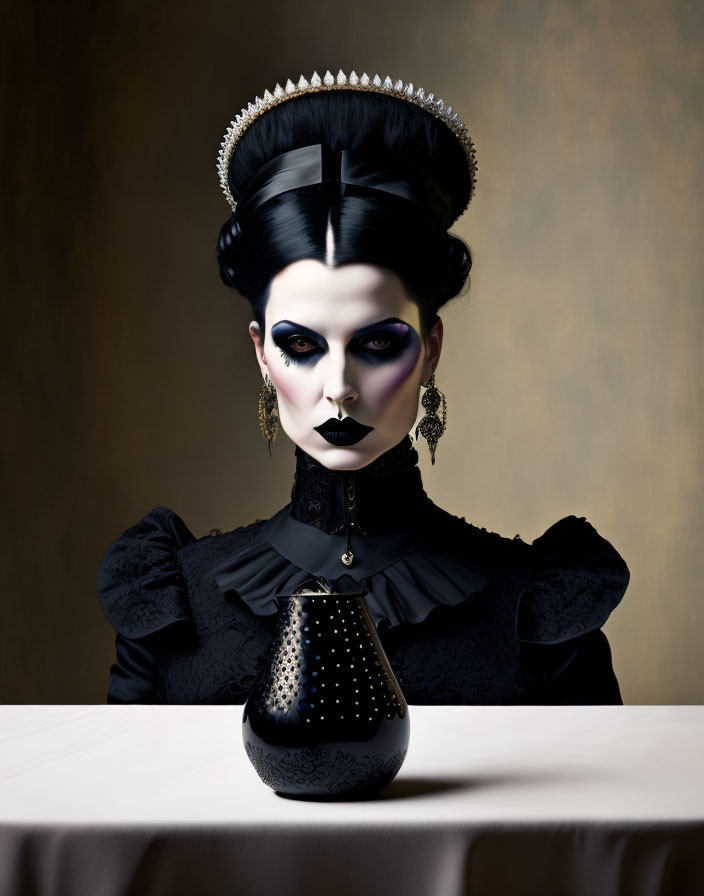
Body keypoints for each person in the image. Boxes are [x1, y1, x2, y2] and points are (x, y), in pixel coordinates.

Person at [97, 69, 630, 706]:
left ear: (431, 348)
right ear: (261, 352)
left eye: (378, 344)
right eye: (301, 345)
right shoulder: (171, 599)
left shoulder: (537, 607)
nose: (340, 388)